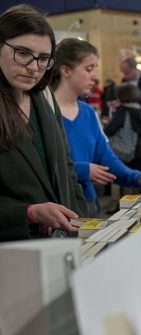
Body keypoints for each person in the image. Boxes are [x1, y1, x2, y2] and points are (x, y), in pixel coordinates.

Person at [0, 5, 87, 241]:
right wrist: (30, 213)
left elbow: (66, 172)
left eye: (43, 59)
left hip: (61, 244)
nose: (33, 67)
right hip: (15, 256)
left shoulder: (45, 98)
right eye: (22, 52)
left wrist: (86, 225)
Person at [52, 39, 141, 218]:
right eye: (88, 69)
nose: (96, 77)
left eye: (95, 68)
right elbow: (42, 167)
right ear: (66, 70)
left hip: (88, 204)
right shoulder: (44, 112)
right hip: (57, 207)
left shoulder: (88, 113)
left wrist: (137, 177)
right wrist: (82, 170)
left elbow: (106, 158)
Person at [103, 83, 141, 163]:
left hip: (123, 151)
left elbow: (109, 130)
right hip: (138, 150)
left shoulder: (122, 111)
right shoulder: (140, 110)